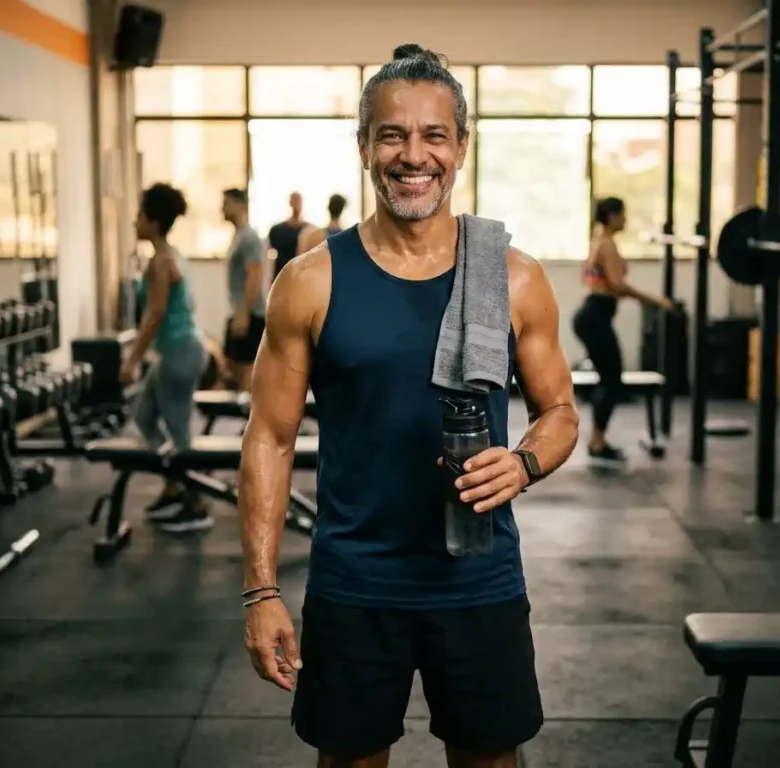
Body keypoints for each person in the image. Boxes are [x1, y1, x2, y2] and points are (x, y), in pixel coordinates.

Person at [239, 43, 579, 768]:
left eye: (433, 135)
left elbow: (561, 415)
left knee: (490, 760)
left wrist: (522, 463)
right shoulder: (310, 282)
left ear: (461, 147)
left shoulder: (511, 277)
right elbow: (268, 437)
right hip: (355, 583)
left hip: (479, 579)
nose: (412, 155)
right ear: (364, 146)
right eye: (392, 135)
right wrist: (261, 591)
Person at [120, 182, 212, 533]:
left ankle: (196, 503)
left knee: (179, 433)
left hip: (180, 354)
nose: (135, 222)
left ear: (154, 222)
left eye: (140, 215)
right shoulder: (170, 257)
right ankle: (174, 486)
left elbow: (154, 315)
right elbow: (186, 305)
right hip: (177, 350)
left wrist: (130, 361)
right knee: (143, 417)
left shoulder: (163, 262)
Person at [572, 196, 673, 468]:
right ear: (613, 216)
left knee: (609, 379)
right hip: (595, 316)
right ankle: (597, 441)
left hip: (590, 315)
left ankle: (597, 440)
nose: (626, 220)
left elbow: (597, 280)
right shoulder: (608, 245)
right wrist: (654, 300)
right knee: (612, 380)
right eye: (623, 215)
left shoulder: (596, 241)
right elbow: (617, 284)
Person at [222, 188, 265, 391]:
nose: (222, 208)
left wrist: (244, 315)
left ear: (241, 206)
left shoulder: (249, 237)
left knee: (249, 369)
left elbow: (254, 276)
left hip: (251, 313)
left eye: (227, 203)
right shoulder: (239, 236)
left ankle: (252, 418)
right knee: (233, 365)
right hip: (241, 311)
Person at [267, 192, 307, 282]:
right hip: (281, 277)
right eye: (294, 200)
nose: (296, 204)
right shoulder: (277, 230)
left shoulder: (309, 231)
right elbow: (268, 258)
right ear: (290, 203)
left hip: (302, 279)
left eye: (298, 201)